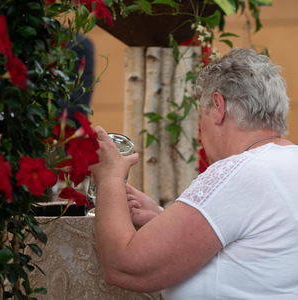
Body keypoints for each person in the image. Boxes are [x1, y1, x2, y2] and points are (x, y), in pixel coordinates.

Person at [90, 48, 298, 299]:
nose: (201, 135)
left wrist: (109, 175)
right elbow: (251, 253)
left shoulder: (238, 172)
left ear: (218, 107)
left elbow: (124, 266)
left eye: (201, 118)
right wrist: (163, 219)